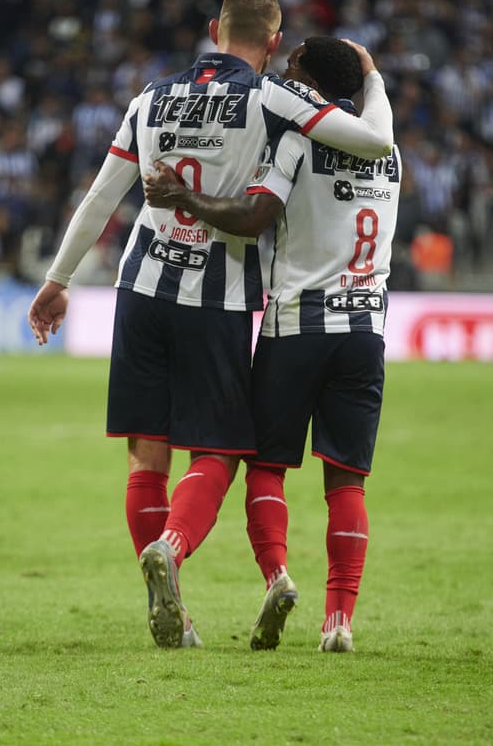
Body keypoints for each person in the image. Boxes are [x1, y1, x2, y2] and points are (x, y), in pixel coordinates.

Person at [25, 0, 394, 649]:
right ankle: (172, 544)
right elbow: (369, 142)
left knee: (147, 454)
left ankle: (176, 613)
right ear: (274, 43)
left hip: (139, 285)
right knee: (221, 448)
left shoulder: (149, 97)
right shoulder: (272, 98)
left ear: (212, 30)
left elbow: (101, 197)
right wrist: (369, 75)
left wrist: (57, 280)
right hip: (217, 294)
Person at [143, 36, 402, 653]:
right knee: (347, 484)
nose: (284, 75)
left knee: (266, 467)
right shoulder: (390, 155)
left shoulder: (297, 139)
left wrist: (183, 198)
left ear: (308, 81)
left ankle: (279, 574)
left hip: (295, 326)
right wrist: (373, 75)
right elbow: (377, 124)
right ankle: (338, 622)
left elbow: (253, 218)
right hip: (365, 328)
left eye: (293, 69)